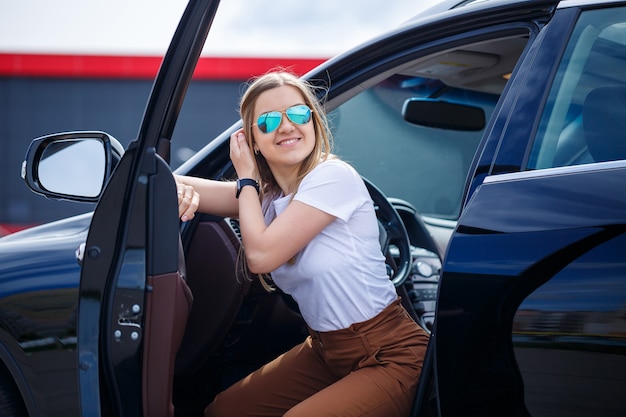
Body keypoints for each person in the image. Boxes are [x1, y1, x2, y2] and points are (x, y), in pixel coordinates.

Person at [175, 70, 429, 417]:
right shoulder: (266, 197)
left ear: (313, 122)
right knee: (223, 411)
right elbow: (175, 183)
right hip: (326, 351)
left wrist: (246, 177)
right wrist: (176, 190)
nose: (286, 126)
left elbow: (261, 256)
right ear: (251, 139)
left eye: (297, 113)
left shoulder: (332, 177)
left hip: (390, 354)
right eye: (267, 120)